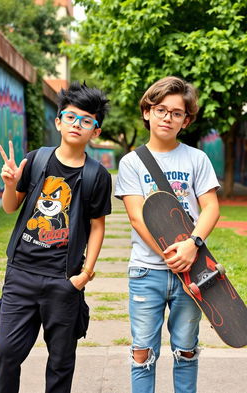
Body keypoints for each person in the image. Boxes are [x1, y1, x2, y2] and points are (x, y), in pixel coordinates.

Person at [0, 81, 111, 393]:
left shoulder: (96, 175)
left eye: (87, 120)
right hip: (21, 274)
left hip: (64, 278)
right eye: (71, 117)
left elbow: (97, 225)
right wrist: (10, 184)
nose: (78, 124)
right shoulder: (36, 160)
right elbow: (10, 208)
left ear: (95, 131)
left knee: (61, 361)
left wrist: (84, 274)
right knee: (6, 354)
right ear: (58, 121)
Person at [115, 76, 220, 393]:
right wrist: (170, 255)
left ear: (185, 120)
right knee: (142, 351)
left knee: (187, 349)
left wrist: (192, 246)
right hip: (147, 270)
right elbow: (136, 217)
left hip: (193, 270)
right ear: (147, 112)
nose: (168, 117)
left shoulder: (196, 158)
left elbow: (211, 208)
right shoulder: (131, 163)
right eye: (161, 109)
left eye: (176, 113)